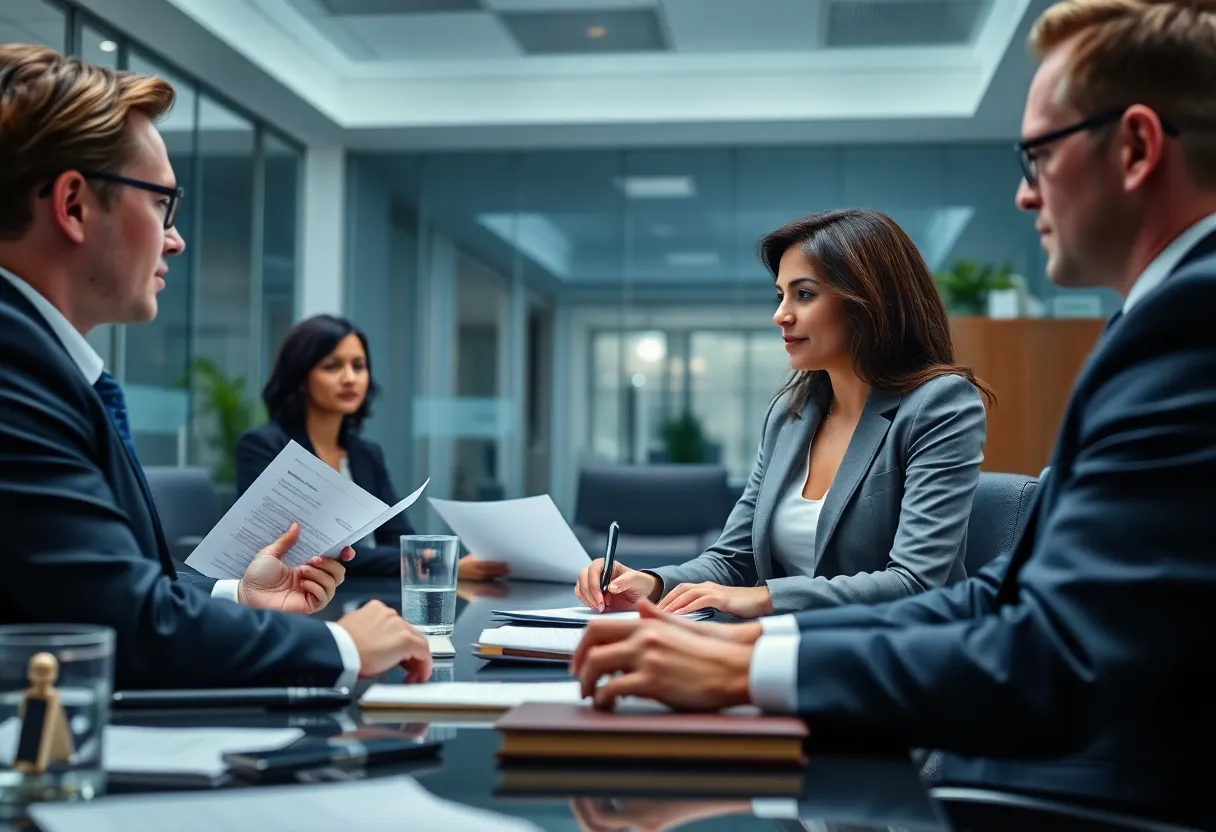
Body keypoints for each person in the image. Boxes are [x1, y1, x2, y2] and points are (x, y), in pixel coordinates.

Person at [571, 0, 1216, 823]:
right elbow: (1004, 600)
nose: (1024, 196)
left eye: (1036, 156)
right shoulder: (1154, 324)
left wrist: (751, 658)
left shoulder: (1187, 332)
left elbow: (1053, 652)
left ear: (1134, 147)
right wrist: (722, 631)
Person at [0, 44, 431, 690]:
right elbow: (128, 628)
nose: (175, 238)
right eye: (161, 205)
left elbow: (99, 595)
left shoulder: (39, 362)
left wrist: (238, 596)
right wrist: (340, 645)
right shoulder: (15, 373)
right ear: (74, 205)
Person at [574, 209, 991, 619]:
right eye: (781, 295)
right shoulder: (790, 415)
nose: (781, 315)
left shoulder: (940, 404)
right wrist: (651, 583)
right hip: (785, 649)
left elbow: (916, 582)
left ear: (868, 301)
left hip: (895, 657)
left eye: (804, 294)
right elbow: (732, 560)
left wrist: (765, 598)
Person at [237, 314, 510, 581]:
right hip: (290, 600)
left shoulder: (366, 454)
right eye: (332, 366)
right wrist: (432, 561)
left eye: (359, 366)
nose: (349, 378)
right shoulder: (266, 446)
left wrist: (415, 558)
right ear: (300, 377)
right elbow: (303, 553)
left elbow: (397, 539)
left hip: (363, 595)